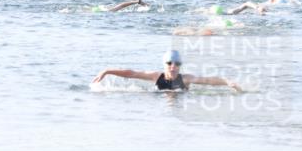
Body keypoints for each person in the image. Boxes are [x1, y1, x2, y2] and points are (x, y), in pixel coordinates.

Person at [92, 50, 242, 92]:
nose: (173, 67)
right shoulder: (156, 76)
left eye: (177, 64)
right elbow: (131, 73)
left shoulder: (185, 79)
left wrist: (227, 82)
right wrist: (107, 71)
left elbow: (208, 80)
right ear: (165, 65)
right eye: (170, 63)